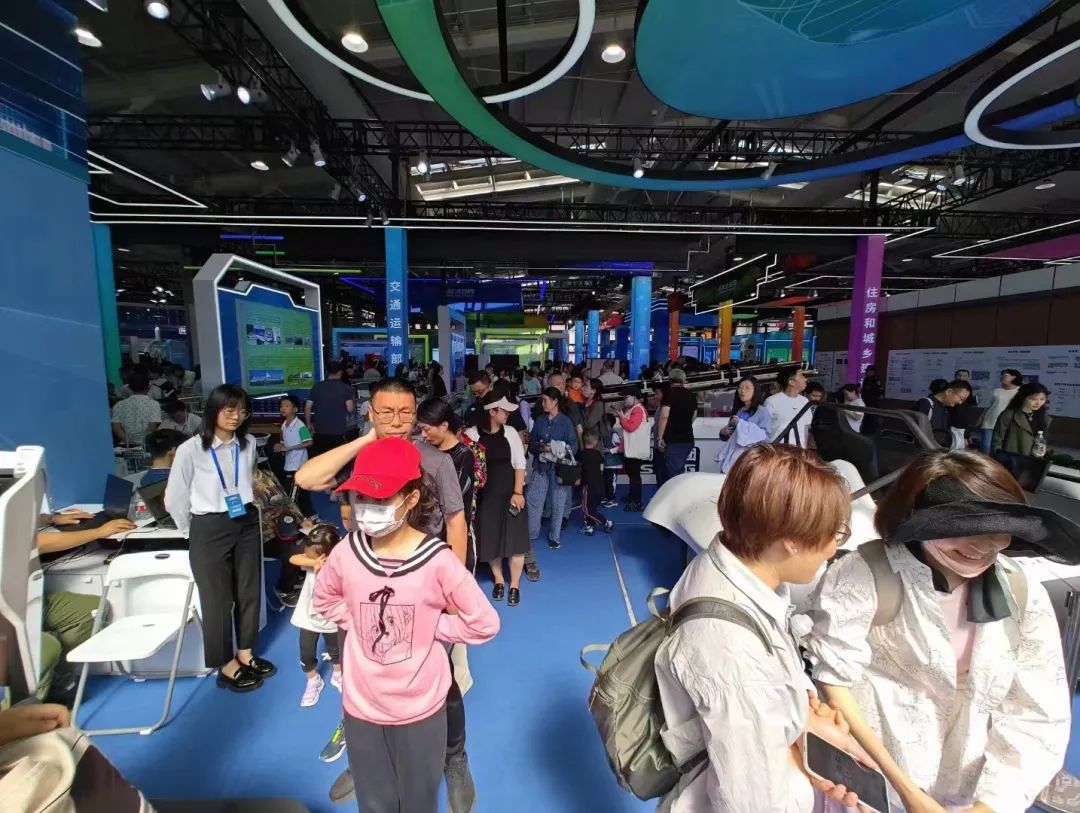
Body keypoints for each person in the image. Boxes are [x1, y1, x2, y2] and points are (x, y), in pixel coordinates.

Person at [806, 450, 1075, 813]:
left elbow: (1037, 711)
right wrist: (906, 792)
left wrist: (992, 805)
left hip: (970, 794)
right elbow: (834, 682)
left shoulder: (1020, 591)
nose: (982, 546)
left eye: (998, 530)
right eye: (963, 529)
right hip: (870, 790)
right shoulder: (863, 574)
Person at [655, 444, 869, 813]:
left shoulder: (726, 561)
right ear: (791, 541)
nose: (833, 550)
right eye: (833, 534)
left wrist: (803, 720)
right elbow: (753, 802)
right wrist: (800, 762)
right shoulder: (732, 654)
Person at [295, 378, 476, 810]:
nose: (397, 421)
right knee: (361, 676)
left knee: (443, 683)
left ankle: (455, 758)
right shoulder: (362, 456)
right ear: (371, 412)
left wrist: (451, 594)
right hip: (365, 590)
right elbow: (306, 477)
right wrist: (367, 440)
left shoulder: (435, 461)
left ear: (416, 414)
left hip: (422, 594)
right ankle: (364, 761)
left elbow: (456, 523)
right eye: (386, 412)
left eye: (405, 412)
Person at [313, 437, 500, 813]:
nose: (368, 508)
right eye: (361, 498)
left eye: (381, 499)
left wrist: (433, 628)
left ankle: (454, 764)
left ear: (411, 498)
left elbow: (483, 623)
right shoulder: (347, 551)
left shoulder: (437, 561)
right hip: (362, 708)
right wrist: (359, 620)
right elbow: (324, 598)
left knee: (418, 800)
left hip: (420, 711)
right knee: (374, 802)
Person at [164, 384, 275, 692]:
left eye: (242, 411)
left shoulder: (248, 444)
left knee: (249, 591)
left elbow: (247, 479)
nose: (236, 416)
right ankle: (225, 664)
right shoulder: (190, 449)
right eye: (229, 409)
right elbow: (174, 497)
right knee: (217, 599)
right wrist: (190, 531)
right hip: (208, 525)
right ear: (214, 410)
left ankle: (245, 652)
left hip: (246, 520)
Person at [465, 393, 530, 606]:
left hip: (510, 494)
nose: (508, 414)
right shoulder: (472, 434)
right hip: (486, 498)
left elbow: (520, 464)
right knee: (491, 540)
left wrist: (518, 493)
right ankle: (499, 579)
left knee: (516, 542)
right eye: (504, 410)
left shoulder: (510, 432)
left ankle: (515, 584)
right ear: (492, 411)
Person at [418, 398, 483, 574]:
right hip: (431, 532)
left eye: (426, 429)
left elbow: (453, 503)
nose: (423, 435)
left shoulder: (464, 455)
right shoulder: (427, 450)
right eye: (420, 429)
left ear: (444, 426)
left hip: (456, 531)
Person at [289, 523, 343, 708]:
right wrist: (313, 563)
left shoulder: (339, 566)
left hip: (331, 618)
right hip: (308, 618)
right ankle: (313, 680)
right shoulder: (312, 561)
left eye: (312, 557)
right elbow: (293, 558)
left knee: (336, 649)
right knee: (306, 652)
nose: (308, 558)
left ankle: (338, 673)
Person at [526, 387, 579, 550]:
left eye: (545, 400)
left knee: (558, 502)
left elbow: (574, 446)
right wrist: (542, 448)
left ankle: (554, 537)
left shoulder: (566, 422)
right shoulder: (540, 421)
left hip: (559, 468)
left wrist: (556, 449)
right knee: (534, 499)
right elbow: (532, 444)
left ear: (555, 401)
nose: (543, 404)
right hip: (541, 466)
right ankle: (531, 533)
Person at [715, 376, 771, 474]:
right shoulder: (739, 410)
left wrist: (744, 426)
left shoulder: (762, 411)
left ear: (755, 391)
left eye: (747, 388)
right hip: (733, 459)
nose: (743, 391)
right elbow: (730, 437)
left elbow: (766, 438)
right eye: (740, 387)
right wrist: (723, 433)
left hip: (749, 460)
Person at [305, 362, 357, 456]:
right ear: (340, 372)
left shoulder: (317, 387)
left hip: (320, 430)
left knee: (321, 457)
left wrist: (309, 424)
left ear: (327, 371)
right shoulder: (346, 388)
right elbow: (350, 408)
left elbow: (307, 407)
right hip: (338, 431)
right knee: (336, 458)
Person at [656, 368, 699, 480]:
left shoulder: (669, 395)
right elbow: (694, 415)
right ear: (683, 380)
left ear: (670, 380)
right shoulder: (691, 395)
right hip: (688, 439)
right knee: (678, 471)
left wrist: (660, 437)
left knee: (674, 476)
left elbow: (664, 416)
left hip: (674, 440)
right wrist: (685, 423)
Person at [991, 382, 1051, 458]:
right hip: (1012, 459)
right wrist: (998, 457)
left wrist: (1043, 449)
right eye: (1033, 399)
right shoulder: (1009, 414)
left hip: (1034, 460)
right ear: (1023, 397)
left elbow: (1043, 439)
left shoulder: (1044, 417)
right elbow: (997, 440)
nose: (1038, 403)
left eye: (1042, 399)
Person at [276, 394, 313, 515]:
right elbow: (283, 441)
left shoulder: (300, 425)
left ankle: (293, 518)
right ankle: (310, 515)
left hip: (298, 465)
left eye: (287, 406)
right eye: (282, 406)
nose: (283, 408)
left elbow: (309, 442)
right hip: (289, 464)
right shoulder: (284, 425)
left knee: (292, 495)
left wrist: (289, 448)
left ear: (295, 409)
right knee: (299, 494)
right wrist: (281, 446)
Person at [616, 388, 649, 512]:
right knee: (632, 474)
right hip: (632, 448)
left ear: (635, 396)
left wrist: (621, 417)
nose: (624, 400)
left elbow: (631, 427)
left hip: (634, 449)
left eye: (626, 397)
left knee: (634, 476)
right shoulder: (634, 409)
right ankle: (633, 497)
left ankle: (636, 502)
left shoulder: (637, 410)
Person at [111, 368, 162, 446]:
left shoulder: (119, 404)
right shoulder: (154, 404)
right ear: (148, 387)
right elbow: (152, 427)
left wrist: (128, 442)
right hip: (146, 445)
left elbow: (116, 427)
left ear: (129, 387)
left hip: (126, 445)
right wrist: (142, 442)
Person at [764, 368, 813, 448]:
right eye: (801, 375)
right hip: (777, 451)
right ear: (791, 382)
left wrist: (805, 449)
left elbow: (806, 427)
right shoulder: (771, 401)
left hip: (799, 451)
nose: (805, 379)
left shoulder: (805, 401)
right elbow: (764, 430)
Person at [578, 430, 613, 536]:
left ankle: (606, 522)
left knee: (587, 509)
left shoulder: (581, 455)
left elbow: (577, 468)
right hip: (600, 485)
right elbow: (601, 467)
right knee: (592, 506)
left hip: (589, 486)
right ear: (595, 442)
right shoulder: (598, 454)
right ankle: (589, 525)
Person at [914, 379, 969, 448]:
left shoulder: (946, 408)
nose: (960, 402)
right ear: (948, 391)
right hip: (926, 449)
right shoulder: (926, 403)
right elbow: (919, 433)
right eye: (961, 398)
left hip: (940, 448)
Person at [980, 369, 1023, 454]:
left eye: (1005, 375)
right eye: (1001, 375)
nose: (1002, 377)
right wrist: (980, 420)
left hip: (1008, 425)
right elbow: (987, 407)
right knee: (986, 448)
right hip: (990, 423)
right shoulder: (995, 391)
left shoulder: (1020, 392)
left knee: (1001, 449)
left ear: (1014, 377)